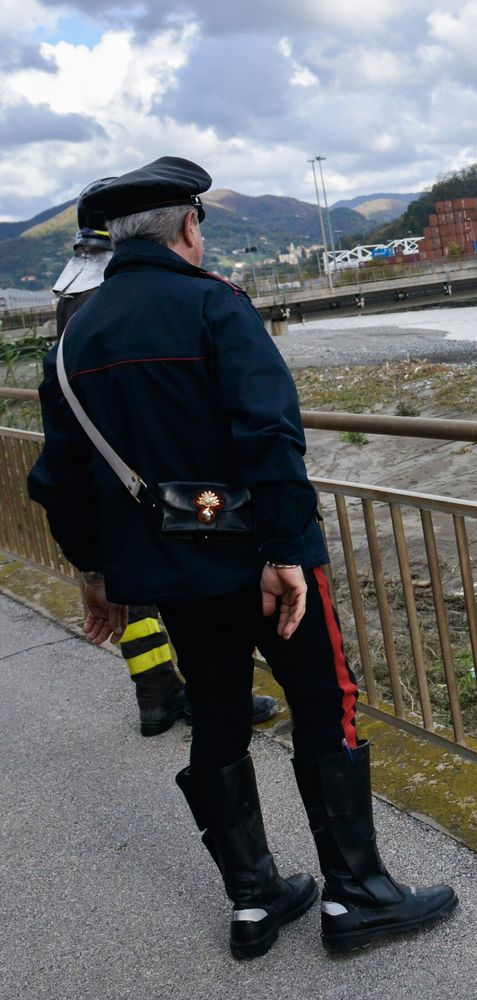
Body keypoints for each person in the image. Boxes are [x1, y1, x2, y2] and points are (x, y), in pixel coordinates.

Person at [27, 156, 456, 959]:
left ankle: (255, 900)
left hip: (175, 581)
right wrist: (289, 550)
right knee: (325, 707)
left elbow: (59, 481)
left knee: (218, 718)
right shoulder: (214, 306)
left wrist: (95, 577)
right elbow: (270, 435)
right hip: (264, 565)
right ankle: (357, 895)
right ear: (189, 227)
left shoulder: (72, 339)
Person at [52, 181, 279, 737]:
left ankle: (157, 694)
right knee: (188, 594)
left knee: (135, 594)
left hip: (109, 476)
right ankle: (208, 695)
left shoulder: (70, 295)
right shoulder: (126, 295)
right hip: (172, 480)